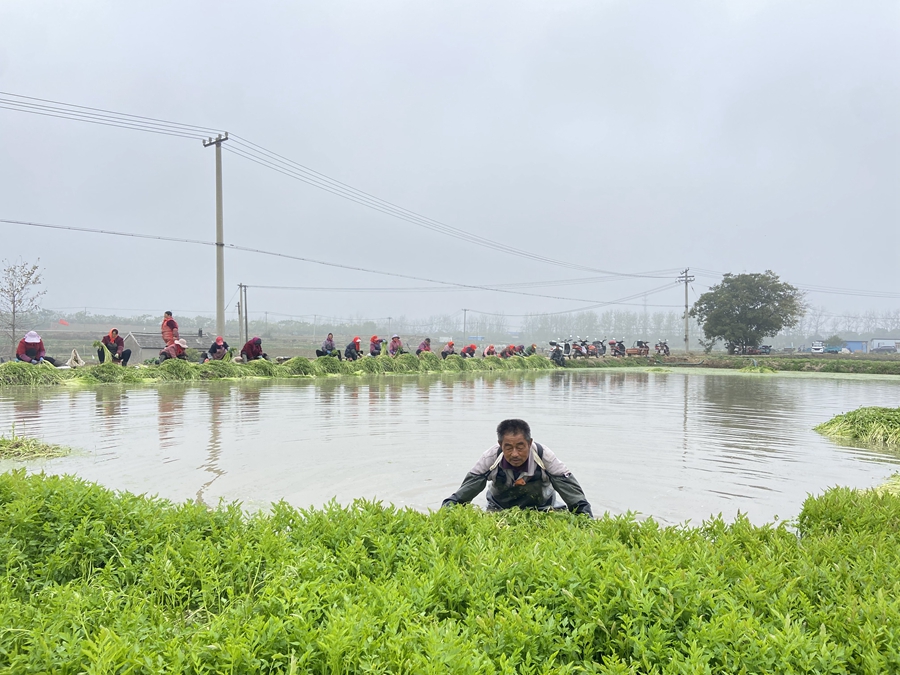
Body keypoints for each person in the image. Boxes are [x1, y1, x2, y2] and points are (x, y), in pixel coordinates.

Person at [442, 418, 593, 516]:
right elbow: (461, 496)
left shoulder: (545, 456)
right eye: (508, 447)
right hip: (499, 507)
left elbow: (576, 499)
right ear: (500, 445)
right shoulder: (490, 458)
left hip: (542, 508)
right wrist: (446, 511)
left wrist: (586, 519)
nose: (514, 454)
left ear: (529, 443)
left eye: (520, 447)